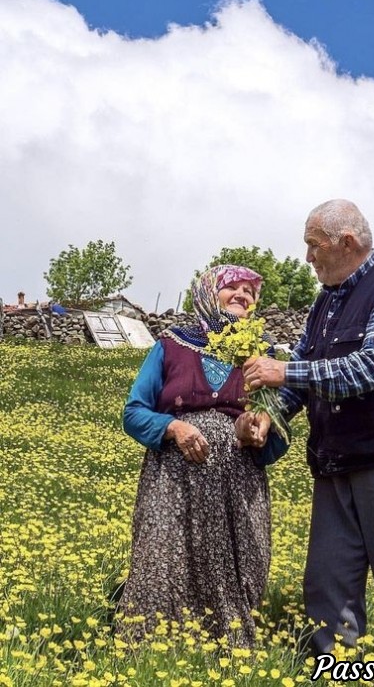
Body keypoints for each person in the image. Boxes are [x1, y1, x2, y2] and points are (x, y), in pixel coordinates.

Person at [238, 199, 374, 658]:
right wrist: (271, 416)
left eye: (314, 246)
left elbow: (373, 366)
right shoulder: (325, 302)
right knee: (328, 586)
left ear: (345, 243)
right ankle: (332, 668)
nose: (308, 258)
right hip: (335, 460)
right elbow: (308, 374)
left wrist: (284, 372)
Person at [119, 265, 273, 647]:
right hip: (173, 478)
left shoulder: (263, 355)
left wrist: (257, 431)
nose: (242, 295)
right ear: (208, 293)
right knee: (163, 556)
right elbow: (134, 411)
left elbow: (278, 429)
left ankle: (228, 646)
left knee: (239, 568)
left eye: (249, 292)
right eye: (232, 288)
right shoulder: (172, 344)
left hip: (238, 482)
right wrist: (173, 428)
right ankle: (150, 645)